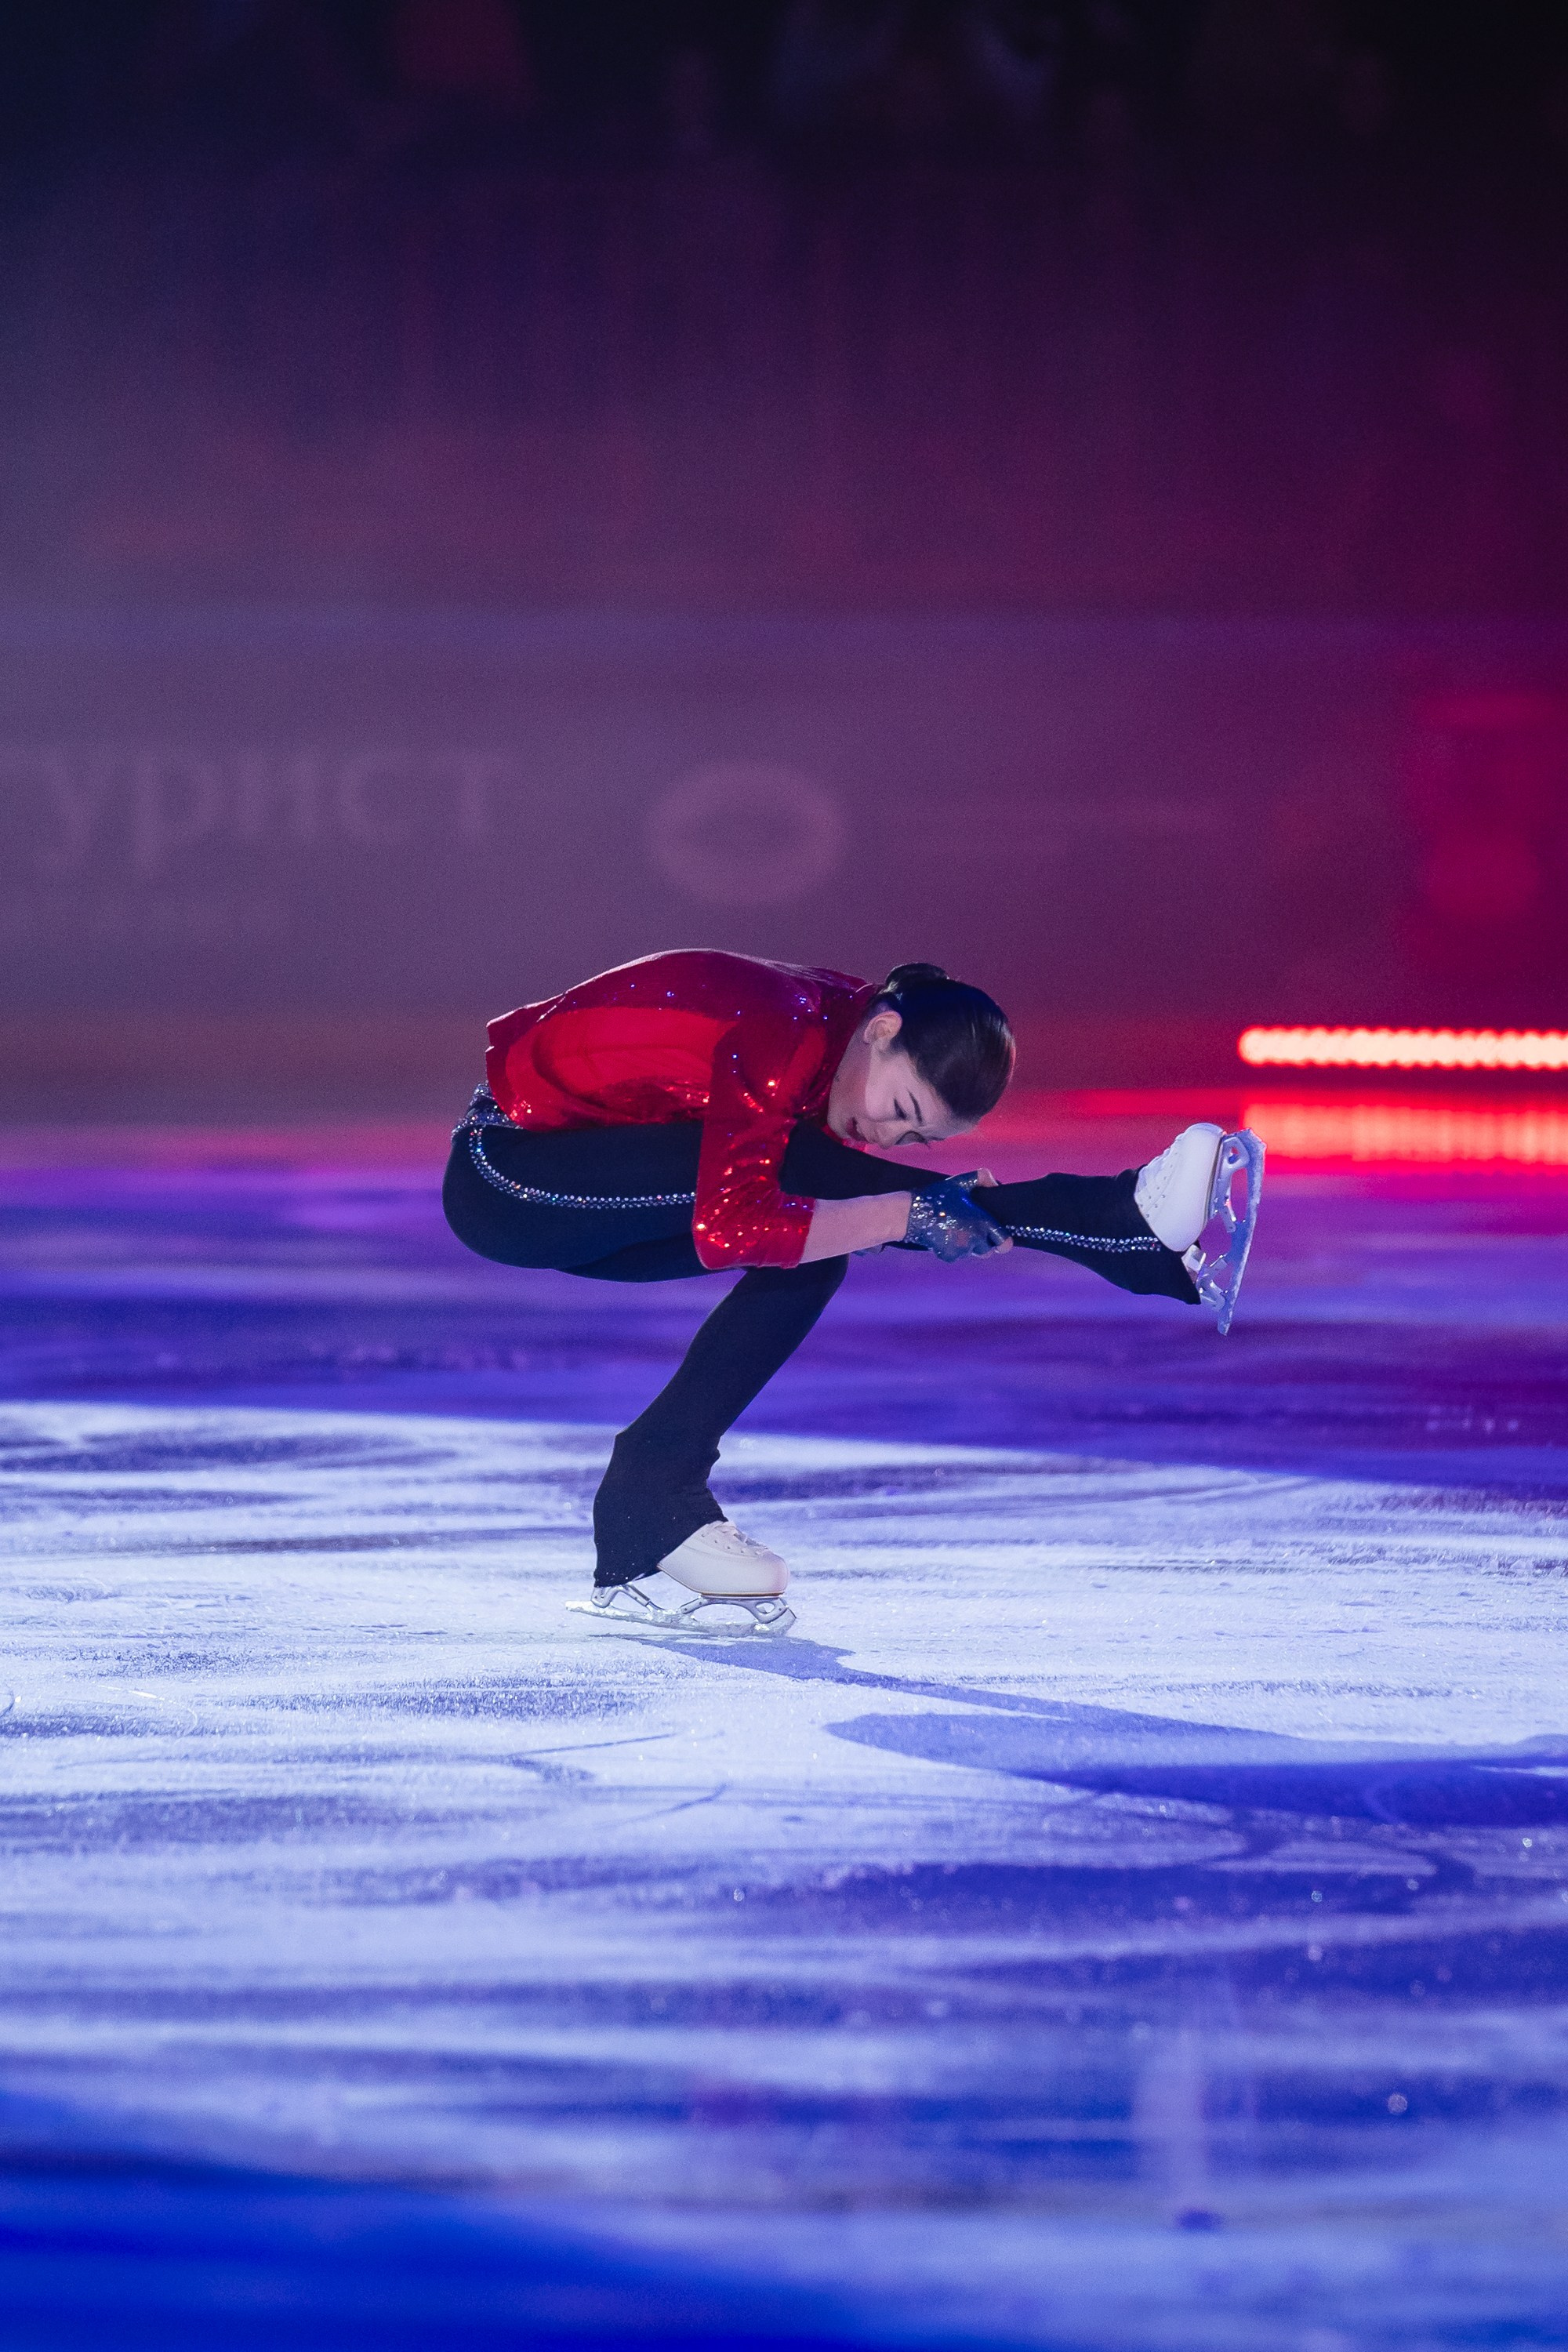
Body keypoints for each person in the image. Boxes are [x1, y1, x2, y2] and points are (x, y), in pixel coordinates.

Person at [442, 950, 1262, 1630]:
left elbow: (809, 1201)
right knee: (814, 1198)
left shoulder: (834, 1037)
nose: (891, 1136)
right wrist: (910, 1207)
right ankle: (1116, 1220)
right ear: (881, 1029)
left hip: (589, 1172)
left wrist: (905, 1205)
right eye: (899, 1107)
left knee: (817, 1233)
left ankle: (646, 1503)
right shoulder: (780, 1032)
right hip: (511, 1181)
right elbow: (737, 1225)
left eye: (916, 1136)